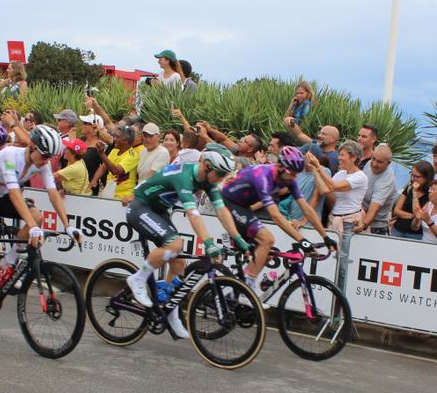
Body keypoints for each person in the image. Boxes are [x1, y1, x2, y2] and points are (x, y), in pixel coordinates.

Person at [0, 125, 81, 334]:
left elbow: (53, 193)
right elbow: (15, 195)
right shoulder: (10, 155)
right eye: (44, 155)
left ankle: (10, 260)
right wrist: (33, 228)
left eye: (50, 157)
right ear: (32, 146)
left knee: (37, 216)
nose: (46, 160)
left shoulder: (41, 162)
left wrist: (68, 225)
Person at [125, 143, 247, 338]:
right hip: (140, 208)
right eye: (220, 174)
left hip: (159, 211)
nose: (222, 179)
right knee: (175, 244)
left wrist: (238, 238)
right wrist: (208, 243)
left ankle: (171, 314)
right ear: (207, 166)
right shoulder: (185, 177)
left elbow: (221, 210)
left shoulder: (208, 180)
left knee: (179, 263)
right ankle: (138, 278)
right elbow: (193, 215)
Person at [221, 146, 336, 288]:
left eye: (296, 174)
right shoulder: (263, 176)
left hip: (244, 206)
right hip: (229, 202)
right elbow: (275, 215)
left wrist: (325, 237)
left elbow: (307, 209)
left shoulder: (289, 179)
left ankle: (238, 291)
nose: (294, 178)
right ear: (280, 166)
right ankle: (246, 290)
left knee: (266, 254)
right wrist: (302, 241)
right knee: (267, 239)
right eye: (292, 173)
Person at [308, 141, 368, 292]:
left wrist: (318, 166)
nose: (339, 158)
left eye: (342, 155)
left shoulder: (360, 177)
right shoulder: (341, 173)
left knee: (342, 267)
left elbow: (334, 187)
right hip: (334, 222)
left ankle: (339, 312)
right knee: (331, 265)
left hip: (348, 225)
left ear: (353, 157)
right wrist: (316, 170)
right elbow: (325, 190)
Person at [354, 144, 396, 236]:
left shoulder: (387, 180)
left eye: (380, 162)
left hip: (376, 227)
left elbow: (373, 210)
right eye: (373, 159)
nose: (374, 164)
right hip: (359, 215)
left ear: (388, 163)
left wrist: (363, 225)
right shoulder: (369, 163)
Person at [92, 125, 138, 201]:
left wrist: (102, 154)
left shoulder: (132, 156)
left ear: (126, 140)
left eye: (118, 137)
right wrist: (94, 180)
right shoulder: (114, 151)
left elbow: (115, 171)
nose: (115, 139)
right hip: (109, 193)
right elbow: (103, 167)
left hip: (123, 198)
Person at [391, 161, 434, 240]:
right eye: (412, 175)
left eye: (417, 176)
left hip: (415, 234)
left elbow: (418, 213)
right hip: (398, 229)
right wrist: (413, 216)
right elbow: (396, 210)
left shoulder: (430, 194)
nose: (413, 179)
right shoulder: (409, 188)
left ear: (426, 178)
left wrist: (415, 193)